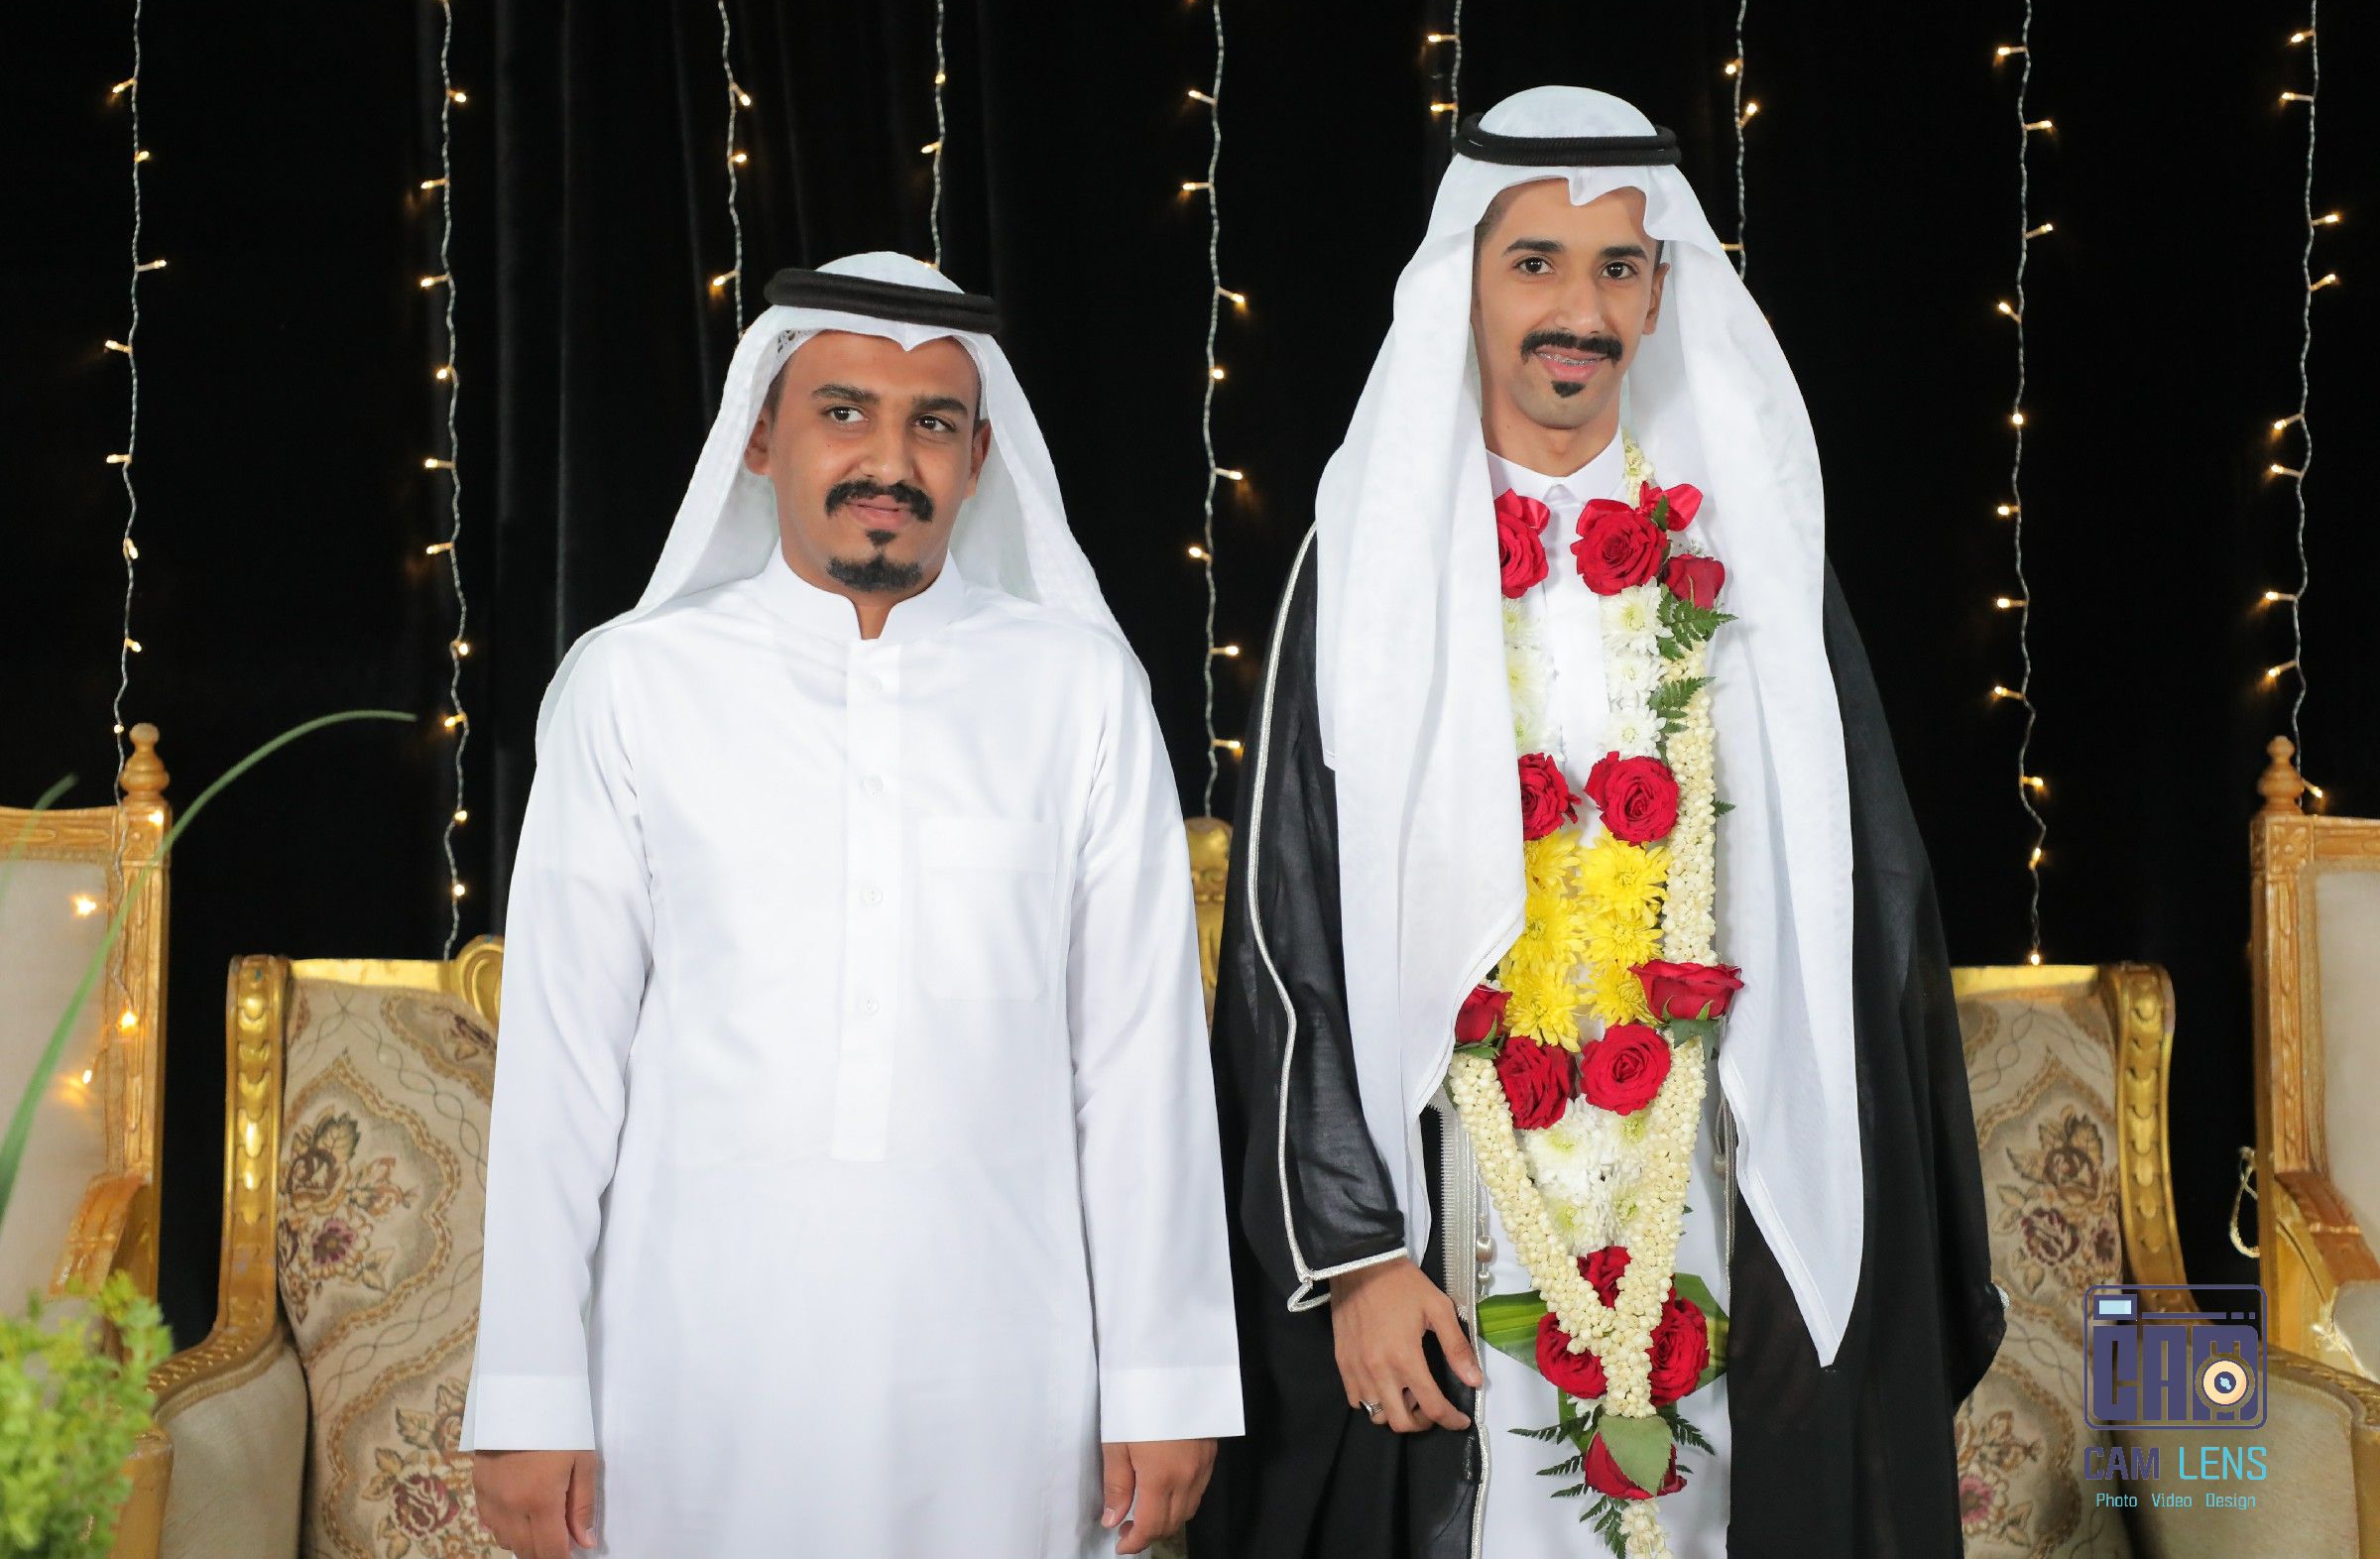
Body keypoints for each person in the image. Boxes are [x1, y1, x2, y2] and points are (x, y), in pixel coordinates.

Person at [1194, 88, 2003, 1558]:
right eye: (1537, 263)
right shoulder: (1373, 559)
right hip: (1450, 1206)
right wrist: (1355, 1253)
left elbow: (1859, 901)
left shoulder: (1748, 561)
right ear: (1468, 284)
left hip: (1715, 1198)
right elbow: (1286, 935)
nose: (1579, 308)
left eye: (1618, 267)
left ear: (1660, 294)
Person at [459, 252, 1241, 1559]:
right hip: (692, 1384)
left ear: (978, 459)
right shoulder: (633, 687)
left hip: (1008, 1388)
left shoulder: (1080, 692)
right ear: (761, 438)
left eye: (932, 422)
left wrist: (1166, 1385)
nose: (890, 459)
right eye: (844, 412)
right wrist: (531, 1399)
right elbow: (562, 1073)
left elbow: (1138, 1067)